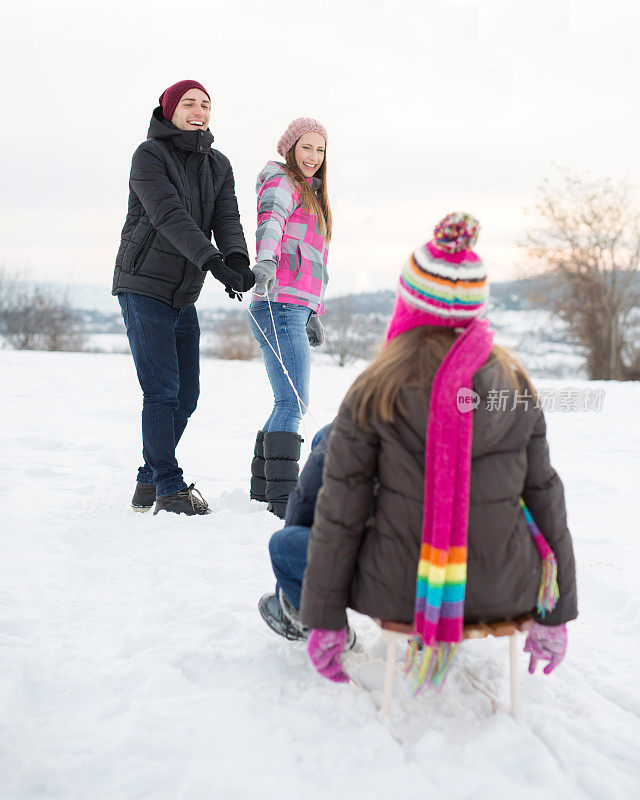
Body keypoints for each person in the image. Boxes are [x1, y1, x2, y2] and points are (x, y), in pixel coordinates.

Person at [296, 214, 578, 687]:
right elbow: (547, 500)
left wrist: (324, 619)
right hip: (506, 589)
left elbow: (341, 512)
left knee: (289, 546)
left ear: (408, 308)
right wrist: (557, 613)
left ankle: (295, 611)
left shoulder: (375, 388)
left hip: (400, 592)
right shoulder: (515, 384)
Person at [112, 80, 254, 516]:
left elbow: (226, 215)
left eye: (206, 105)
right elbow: (168, 215)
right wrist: (213, 262)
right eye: (189, 104)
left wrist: (237, 260)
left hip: (182, 293)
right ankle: (169, 489)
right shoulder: (149, 155)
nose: (199, 111)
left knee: (185, 396)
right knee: (162, 392)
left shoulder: (219, 163)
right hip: (143, 285)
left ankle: (146, 481)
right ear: (169, 111)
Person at [248, 118, 331, 519]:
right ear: (290, 149)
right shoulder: (281, 182)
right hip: (278, 303)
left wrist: (314, 311)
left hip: (292, 307)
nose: (313, 157)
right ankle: (283, 499)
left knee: (287, 399)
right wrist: (265, 261)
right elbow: (272, 221)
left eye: (320, 149)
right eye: (306, 148)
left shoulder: (312, 195)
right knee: (293, 401)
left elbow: (314, 260)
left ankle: (263, 491)